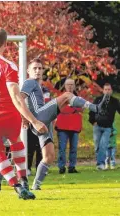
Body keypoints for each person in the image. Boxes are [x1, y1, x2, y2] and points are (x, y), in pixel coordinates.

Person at [0, 27, 49, 200]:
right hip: (8, 114)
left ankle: (17, 186)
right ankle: (23, 178)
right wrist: (33, 120)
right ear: (5, 44)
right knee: (16, 141)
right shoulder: (7, 65)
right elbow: (16, 97)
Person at [21, 58, 108, 190]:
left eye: (40, 68)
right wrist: (25, 118)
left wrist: (27, 119)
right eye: (35, 68)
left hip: (43, 122)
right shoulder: (30, 82)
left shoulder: (40, 86)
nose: (38, 71)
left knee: (49, 156)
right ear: (28, 71)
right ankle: (96, 108)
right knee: (67, 95)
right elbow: (19, 99)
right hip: (39, 117)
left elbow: (26, 102)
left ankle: (36, 186)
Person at [89, 83, 120, 170]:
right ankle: (100, 163)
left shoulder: (115, 101)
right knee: (97, 146)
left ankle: (100, 165)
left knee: (103, 145)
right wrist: (92, 121)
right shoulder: (98, 99)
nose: (107, 91)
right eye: (105, 89)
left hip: (107, 127)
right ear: (103, 90)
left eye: (109, 89)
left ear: (111, 91)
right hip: (97, 126)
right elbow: (92, 111)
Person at [55, 79, 82, 174]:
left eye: (72, 84)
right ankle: (61, 167)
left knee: (73, 148)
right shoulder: (60, 97)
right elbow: (60, 109)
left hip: (75, 126)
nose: (70, 86)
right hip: (62, 126)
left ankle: (72, 167)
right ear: (65, 86)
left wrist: (70, 108)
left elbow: (81, 109)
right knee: (62, 148)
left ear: (74, 86)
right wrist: (73, 109)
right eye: (68, 84)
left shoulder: (78, 98)